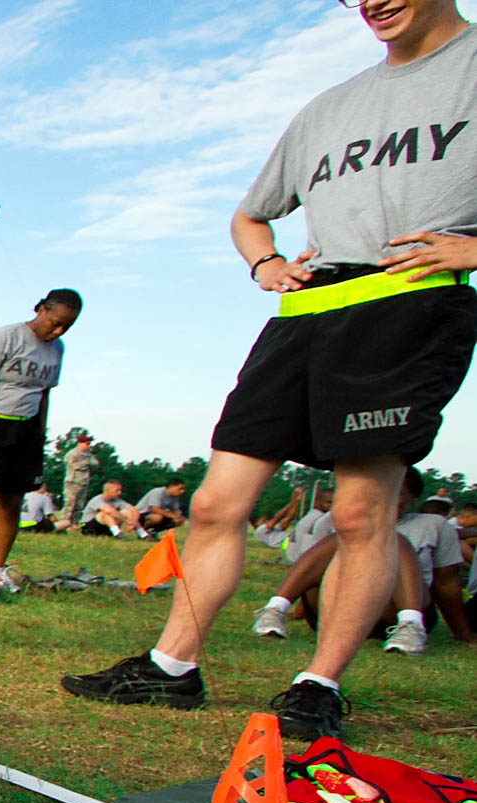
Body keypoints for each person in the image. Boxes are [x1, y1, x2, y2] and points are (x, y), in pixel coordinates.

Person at [62, 0, 477, 742]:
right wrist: (265, 262)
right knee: (219, 503)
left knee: (358, 513)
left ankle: (316, 686)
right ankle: (172, 666)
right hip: (304, 317)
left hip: (405, 312)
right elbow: (249, 214)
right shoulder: (329, 105)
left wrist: (471, 251)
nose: (372, 3)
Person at [251, 469, 474, 653]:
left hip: (392, 610)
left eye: (394, 491)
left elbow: (446, 583)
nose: (382, 497)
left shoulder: (433, 525)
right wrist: (302, 611)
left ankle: (410, 624)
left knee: (391, 538)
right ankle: (274, 610)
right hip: (338, 604)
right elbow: (312, 567)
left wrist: (462, 633)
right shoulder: (335, 519)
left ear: (412, 497)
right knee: (347, 533)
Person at [0, 289, 79, 594]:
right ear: (41, 309)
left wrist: (39, 435)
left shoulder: (57, 349)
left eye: (67, 327)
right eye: (56, 322)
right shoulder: (6, 338)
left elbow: (45, 394)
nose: (58, 330)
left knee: (12, 501)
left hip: (26, 430)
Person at [78, 480, 145, 539]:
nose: (120, 492)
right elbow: (110, 511)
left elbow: (133, 509)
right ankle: (117, 534)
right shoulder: (97, 500)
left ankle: (142, 534)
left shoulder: (117, 500)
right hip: (85, 526)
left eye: (120, 490)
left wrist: (133, 522)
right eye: (117, 490)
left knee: (126, 511)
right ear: (107, 490)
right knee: (105, 513)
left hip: (106, 527)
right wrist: (126, 521)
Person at [289, 486, 336, 563]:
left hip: (299, 558)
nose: (332, 506)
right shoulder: (323, 518)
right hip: (308, 560)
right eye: (328, 502)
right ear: (317, 502)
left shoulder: (311, 516)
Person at [61, 434, 94, 522]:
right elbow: (72, 466)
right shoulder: (72, 453)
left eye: (89, 443)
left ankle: (75, 523)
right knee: (69, 503)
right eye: (87, 443)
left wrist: (88, 462)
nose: (88, 446)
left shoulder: (88, 454)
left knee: (79, 505)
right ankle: (64, 522)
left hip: (83, 482)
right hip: (72, 482)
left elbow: (95, 463)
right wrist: (84, 463)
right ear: (80, 443)